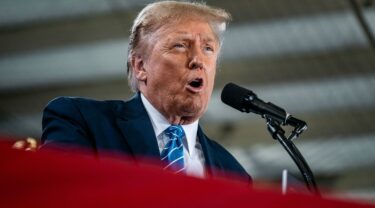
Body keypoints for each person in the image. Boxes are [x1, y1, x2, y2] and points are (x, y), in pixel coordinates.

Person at [41, 1, 251, 182]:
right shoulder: (81, 122)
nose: (198, 60)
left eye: (208, 48)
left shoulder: (235, 173)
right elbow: (59, 200)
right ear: (140, 67)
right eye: (180, 45)